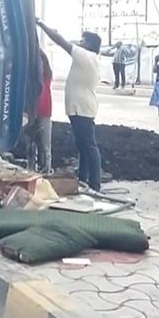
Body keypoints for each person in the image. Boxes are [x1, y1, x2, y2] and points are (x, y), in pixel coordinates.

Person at [36, 19, 103, 191]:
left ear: (89, 45)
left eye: (83, 41)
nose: (80, 43)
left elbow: (61, 41)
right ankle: (84, 179)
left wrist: (42, 24)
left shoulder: (86, 56)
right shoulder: (90, 57)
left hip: (82, 108)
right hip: (80, 108)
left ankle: (95, 184)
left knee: (89, 146)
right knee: (83, 146)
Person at [32, 50, 53, 174]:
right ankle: (36, 169)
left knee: (44, 145)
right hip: (36, 112)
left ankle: (46, 170)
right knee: (34, 143)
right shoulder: (40, 77)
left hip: (43, 111)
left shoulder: (46, 77)